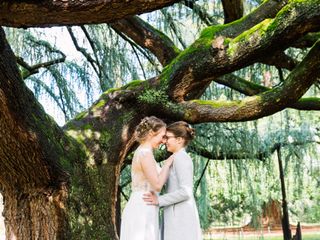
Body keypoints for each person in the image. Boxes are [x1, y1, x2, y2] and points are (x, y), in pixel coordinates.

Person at [143, 121, 202, 240]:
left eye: (168, 138)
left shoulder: (181, 158)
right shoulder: (175, 157)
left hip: (181, 217)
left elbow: (186, 192)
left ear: (179, 139)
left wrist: (159, 200)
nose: (164, 141)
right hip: (175, 215)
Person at [120, 116, 174, 240]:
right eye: (162, 136)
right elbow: (157, 185)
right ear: (151, 133)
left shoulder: (144, 152)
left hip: (146, 205)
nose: (164, 141)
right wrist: (167, 164)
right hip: (142, 207)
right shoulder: (145, 153)